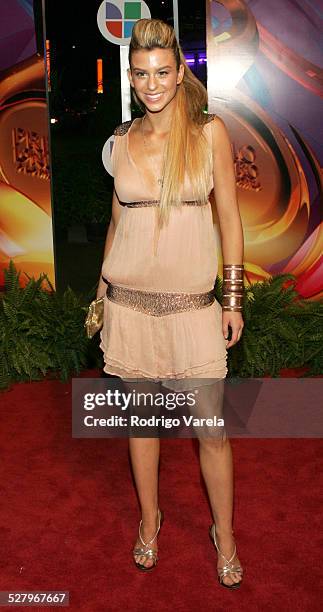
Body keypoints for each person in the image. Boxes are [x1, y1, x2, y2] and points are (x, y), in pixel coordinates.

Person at [96, 18, 245, 589]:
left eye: (162, 72)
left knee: (211, 429)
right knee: (143, 424)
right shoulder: (121, 141)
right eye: (141, 74)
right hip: (129, 307)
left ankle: (224, 536)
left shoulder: (209, 132)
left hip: (192, 309)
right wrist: (100, 296)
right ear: (130, 77)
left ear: (180, 73)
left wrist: (232, 299)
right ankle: (149, 521)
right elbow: (115, 224)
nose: (152, 83)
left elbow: (229, 217)